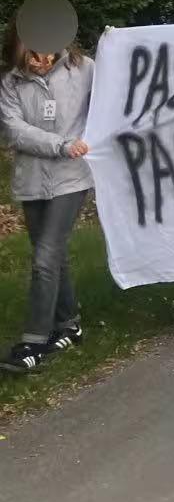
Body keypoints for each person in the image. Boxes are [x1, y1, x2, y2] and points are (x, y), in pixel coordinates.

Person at [0, 22, 94, 375]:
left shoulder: (83, 69)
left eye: (47, 53)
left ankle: (34, 343)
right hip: (32, 181)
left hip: (72, 178)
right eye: (32, 56)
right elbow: (14, 130)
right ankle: (70, 326)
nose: (41, 61)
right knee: (53, 256)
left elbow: (116, 97)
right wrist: (60, 145)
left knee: (44, 258)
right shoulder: (9, 83)